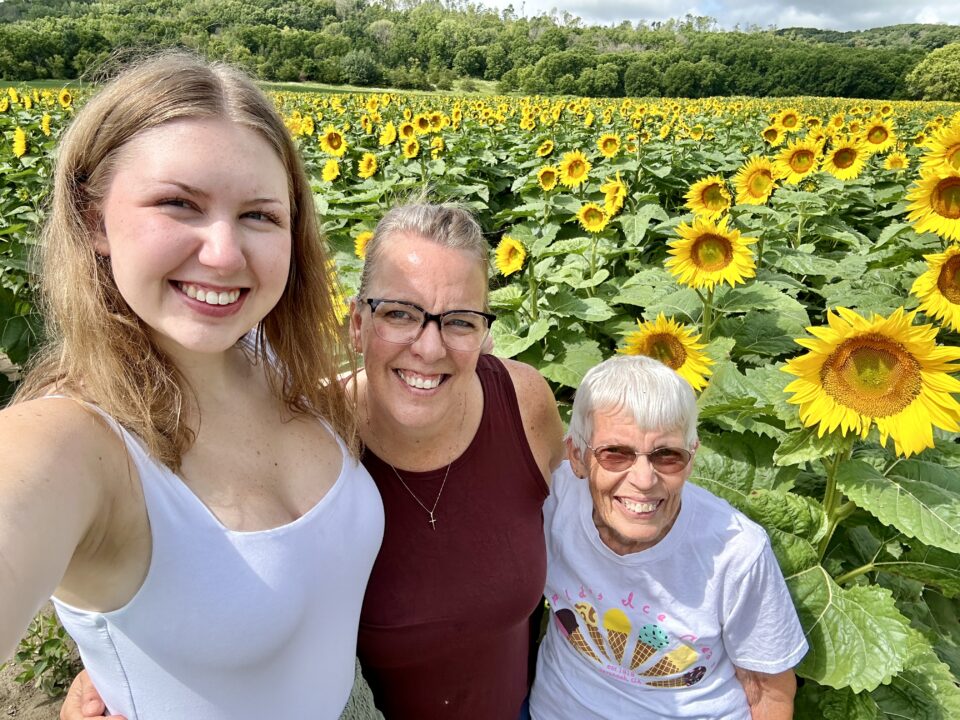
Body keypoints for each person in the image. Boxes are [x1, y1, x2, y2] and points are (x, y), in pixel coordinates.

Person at [62, 202, 566, 720]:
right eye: (399, 313)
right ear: (357, 323)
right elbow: (213, 579)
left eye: (460, 321)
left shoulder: (523, 403)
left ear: (483, 332)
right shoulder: (309, 441)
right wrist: (119, 666)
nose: (429, 346)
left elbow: (580, 539)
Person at [0, 51, 384, 719]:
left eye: (260, 215)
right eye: (179, 204)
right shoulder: (75, 443)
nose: (225, 253)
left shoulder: (271, 354)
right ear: (94, 221)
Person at [530, 355, 807, 719]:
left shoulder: (735, 551)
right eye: (615, 454)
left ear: (691, 458)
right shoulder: (550, 499)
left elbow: (768, 692)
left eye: (667, 456)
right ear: (577, 456)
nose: (644, 480)